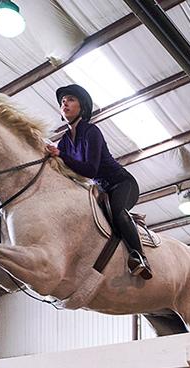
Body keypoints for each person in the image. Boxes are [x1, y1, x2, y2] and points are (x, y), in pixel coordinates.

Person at [45, 84, 153, 280]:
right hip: (103, 191)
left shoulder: (91, 132)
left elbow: (90, 170)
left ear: (82, 108)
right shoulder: (64, 141)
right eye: (63, 101)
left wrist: (61, 155)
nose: (64, 103)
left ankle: (140, 257)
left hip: (123, 184)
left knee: (118, 213)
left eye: (70, 99)